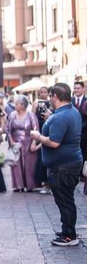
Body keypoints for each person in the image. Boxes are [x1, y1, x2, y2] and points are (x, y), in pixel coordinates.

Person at [31, 83, 83, 246]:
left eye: (51, 96)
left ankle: (69, 236)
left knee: (65, 200)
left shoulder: (62, 116)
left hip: (63, 167)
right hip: (69, 163)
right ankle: (67, 230)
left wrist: (37, 135)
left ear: (54, 96)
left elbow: (54, 142)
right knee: (65, 200)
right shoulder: (71, 111)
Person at [6, 95, 39, 192]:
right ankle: (18, 186)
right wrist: (11, 140)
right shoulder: (12, 115)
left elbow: (36, 129)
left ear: (23, 105)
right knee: (16, 164)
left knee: (29, 165)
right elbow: (8, 129)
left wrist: (34, 142)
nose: (14, 105)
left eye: (17, 103)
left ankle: (30, 185)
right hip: (15, 142)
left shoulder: (31, 115)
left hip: (28, 141)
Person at [33, 86, 52, 194]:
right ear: (38, 94)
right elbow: (33, 118)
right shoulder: (36, 103)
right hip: (39, 131)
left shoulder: (51, 104)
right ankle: (44, 183)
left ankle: (50, 184)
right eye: (41, 92)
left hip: (49, 130)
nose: (43, 94)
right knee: (40, 159)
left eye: (45, 92)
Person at [72, 81, 87, 184]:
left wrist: (80, 127)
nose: (76, 90)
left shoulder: (86, 101)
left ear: (83, 89)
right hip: (72, 133)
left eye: (78, 88)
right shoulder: (70, 101)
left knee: (84, 153)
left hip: (84, 133)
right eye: (75, 88)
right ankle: (74, 173)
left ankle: (83, 174)